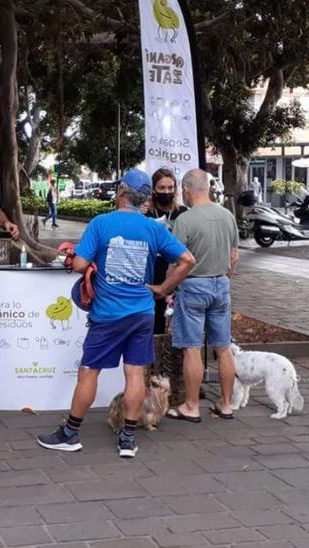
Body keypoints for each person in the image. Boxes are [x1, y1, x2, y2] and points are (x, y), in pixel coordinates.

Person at [37, 169, 196, 458]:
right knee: (135, 373)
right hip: (142, 313)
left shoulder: (102, 223)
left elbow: (79, 265)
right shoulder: (154, 228)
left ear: (122, 190)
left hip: (108, 314)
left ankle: (70, 434)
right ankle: (127, 439)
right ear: (145, 196)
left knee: (89, 372)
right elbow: (187, 260)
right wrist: (162, 288)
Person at [165, 169, 241, 422]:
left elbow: (177, 262)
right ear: (207, 188)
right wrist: (223, 278)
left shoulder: (185, 221)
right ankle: (227, 404)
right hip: (221, 285)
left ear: (186, 190)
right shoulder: (227, 216)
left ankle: (191, 405)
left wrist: (166, 287)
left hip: (194, 287)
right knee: (223, 347)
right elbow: (234, 257)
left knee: (192, 348)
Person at [145, 168, 188, 334]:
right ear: (153, 189)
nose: (166, 192)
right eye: (162, 188)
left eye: (170, 188)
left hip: (175, 272)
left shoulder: (183, 213)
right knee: (152, 320)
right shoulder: (146, 212)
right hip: (150, 270)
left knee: (173, 322)